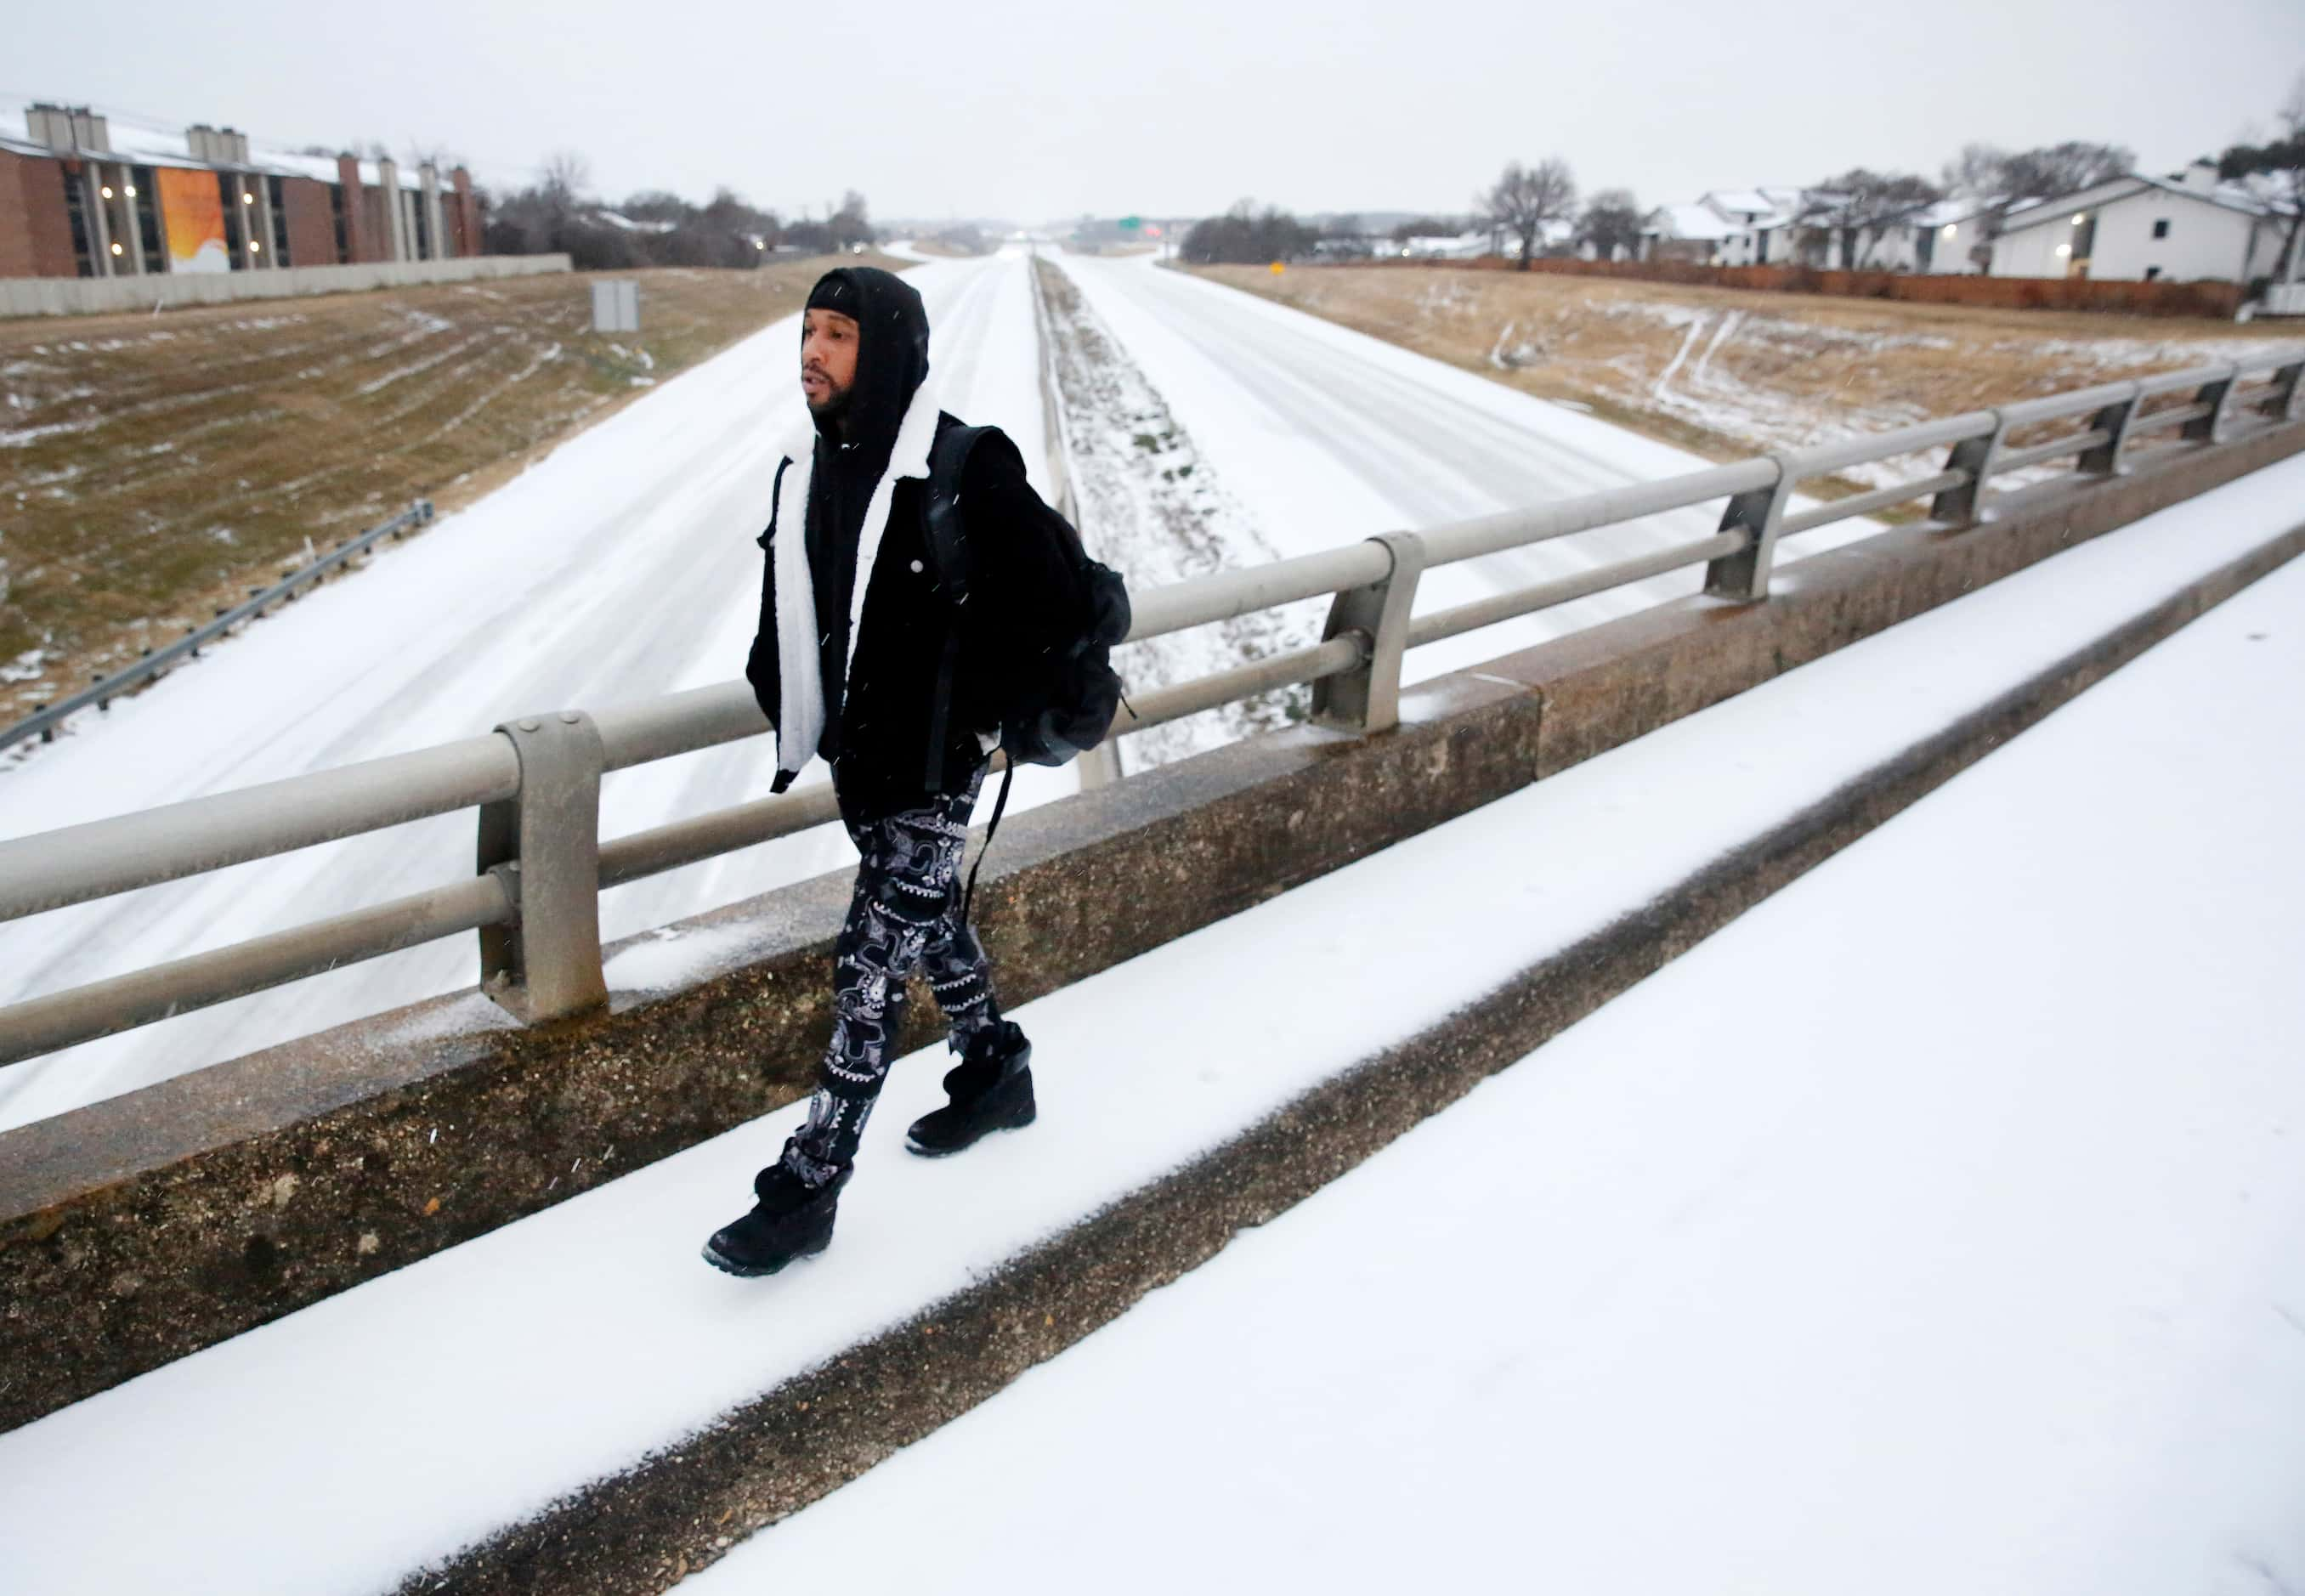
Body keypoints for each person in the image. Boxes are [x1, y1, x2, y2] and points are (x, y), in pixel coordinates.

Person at [704, 266, 1090, 1277]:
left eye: (837, 335)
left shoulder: (964, 465)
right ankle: (997, 1069)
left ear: (886, 350)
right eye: (808, 332)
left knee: (869, 970)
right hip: (859, 759)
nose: (813, 354)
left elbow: (1052, 611)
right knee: (929, 922)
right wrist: (781, 693)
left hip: (933, 769)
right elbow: (789, 605)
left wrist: (965, 722)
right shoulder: (807, 467)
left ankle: (807, 1188)